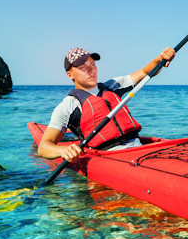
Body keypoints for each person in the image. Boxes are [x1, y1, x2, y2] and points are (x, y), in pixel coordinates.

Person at [37, 46, 175, 162]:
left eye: (92, 64)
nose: (90, 70)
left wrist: (160, 59)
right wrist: (63, 150)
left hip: (138, 149)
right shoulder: (68, 106)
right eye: (82, 67)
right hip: (108, 158)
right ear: (70, 75)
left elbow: (145, 72)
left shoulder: (112, 86)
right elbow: (44, 147)